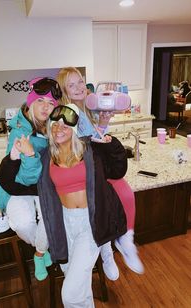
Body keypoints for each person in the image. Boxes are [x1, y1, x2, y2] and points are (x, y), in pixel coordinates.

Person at [56, 67, 144, 280]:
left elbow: (94, 137)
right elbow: (78, 143)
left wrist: (103, 123)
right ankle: (121, 242)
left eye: (80, 82)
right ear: (64, 90)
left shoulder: (84, 109)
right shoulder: (69, 112)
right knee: (122, 192)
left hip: (94, 164)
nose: (79, 88)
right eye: (72, 85)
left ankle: (123, 241)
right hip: (83, 173)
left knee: (124, 191)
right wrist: (97, 138)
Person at [39, 104, 127, 307]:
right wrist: (17, 157)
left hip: (90, 222)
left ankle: (106, 251)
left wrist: (108, 143)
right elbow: (21, 182)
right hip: (64, 224)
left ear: (75, 130)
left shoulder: (90, 151)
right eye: (55, 125)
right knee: (80, 284)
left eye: (65, 126)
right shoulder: (46, 157)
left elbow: (117, 169)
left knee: (70, 294)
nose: (58, 129)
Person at [0, 77, 62, 281]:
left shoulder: (52, 126)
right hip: (17, 187)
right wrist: (31, 156)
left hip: (41, 185)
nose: (45, 107)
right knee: (23, 223)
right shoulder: (20, 132)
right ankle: (43, 249)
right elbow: (22, 178)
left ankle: (39, 254)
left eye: (51, 103)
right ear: (31, 100)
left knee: (51, 216)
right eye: (41, 100)